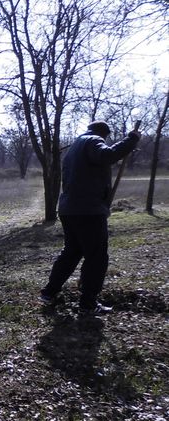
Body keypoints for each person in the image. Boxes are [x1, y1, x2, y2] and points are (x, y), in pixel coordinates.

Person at [40, 121, 140, 314]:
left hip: (69, 209)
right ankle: (88, 303)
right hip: (88, 210)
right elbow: (107, 155)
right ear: (104, 134)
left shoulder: (76, 147)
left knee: (72, 252)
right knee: (97, 257)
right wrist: (131, 139)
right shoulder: (93, 140)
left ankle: (49, 292)